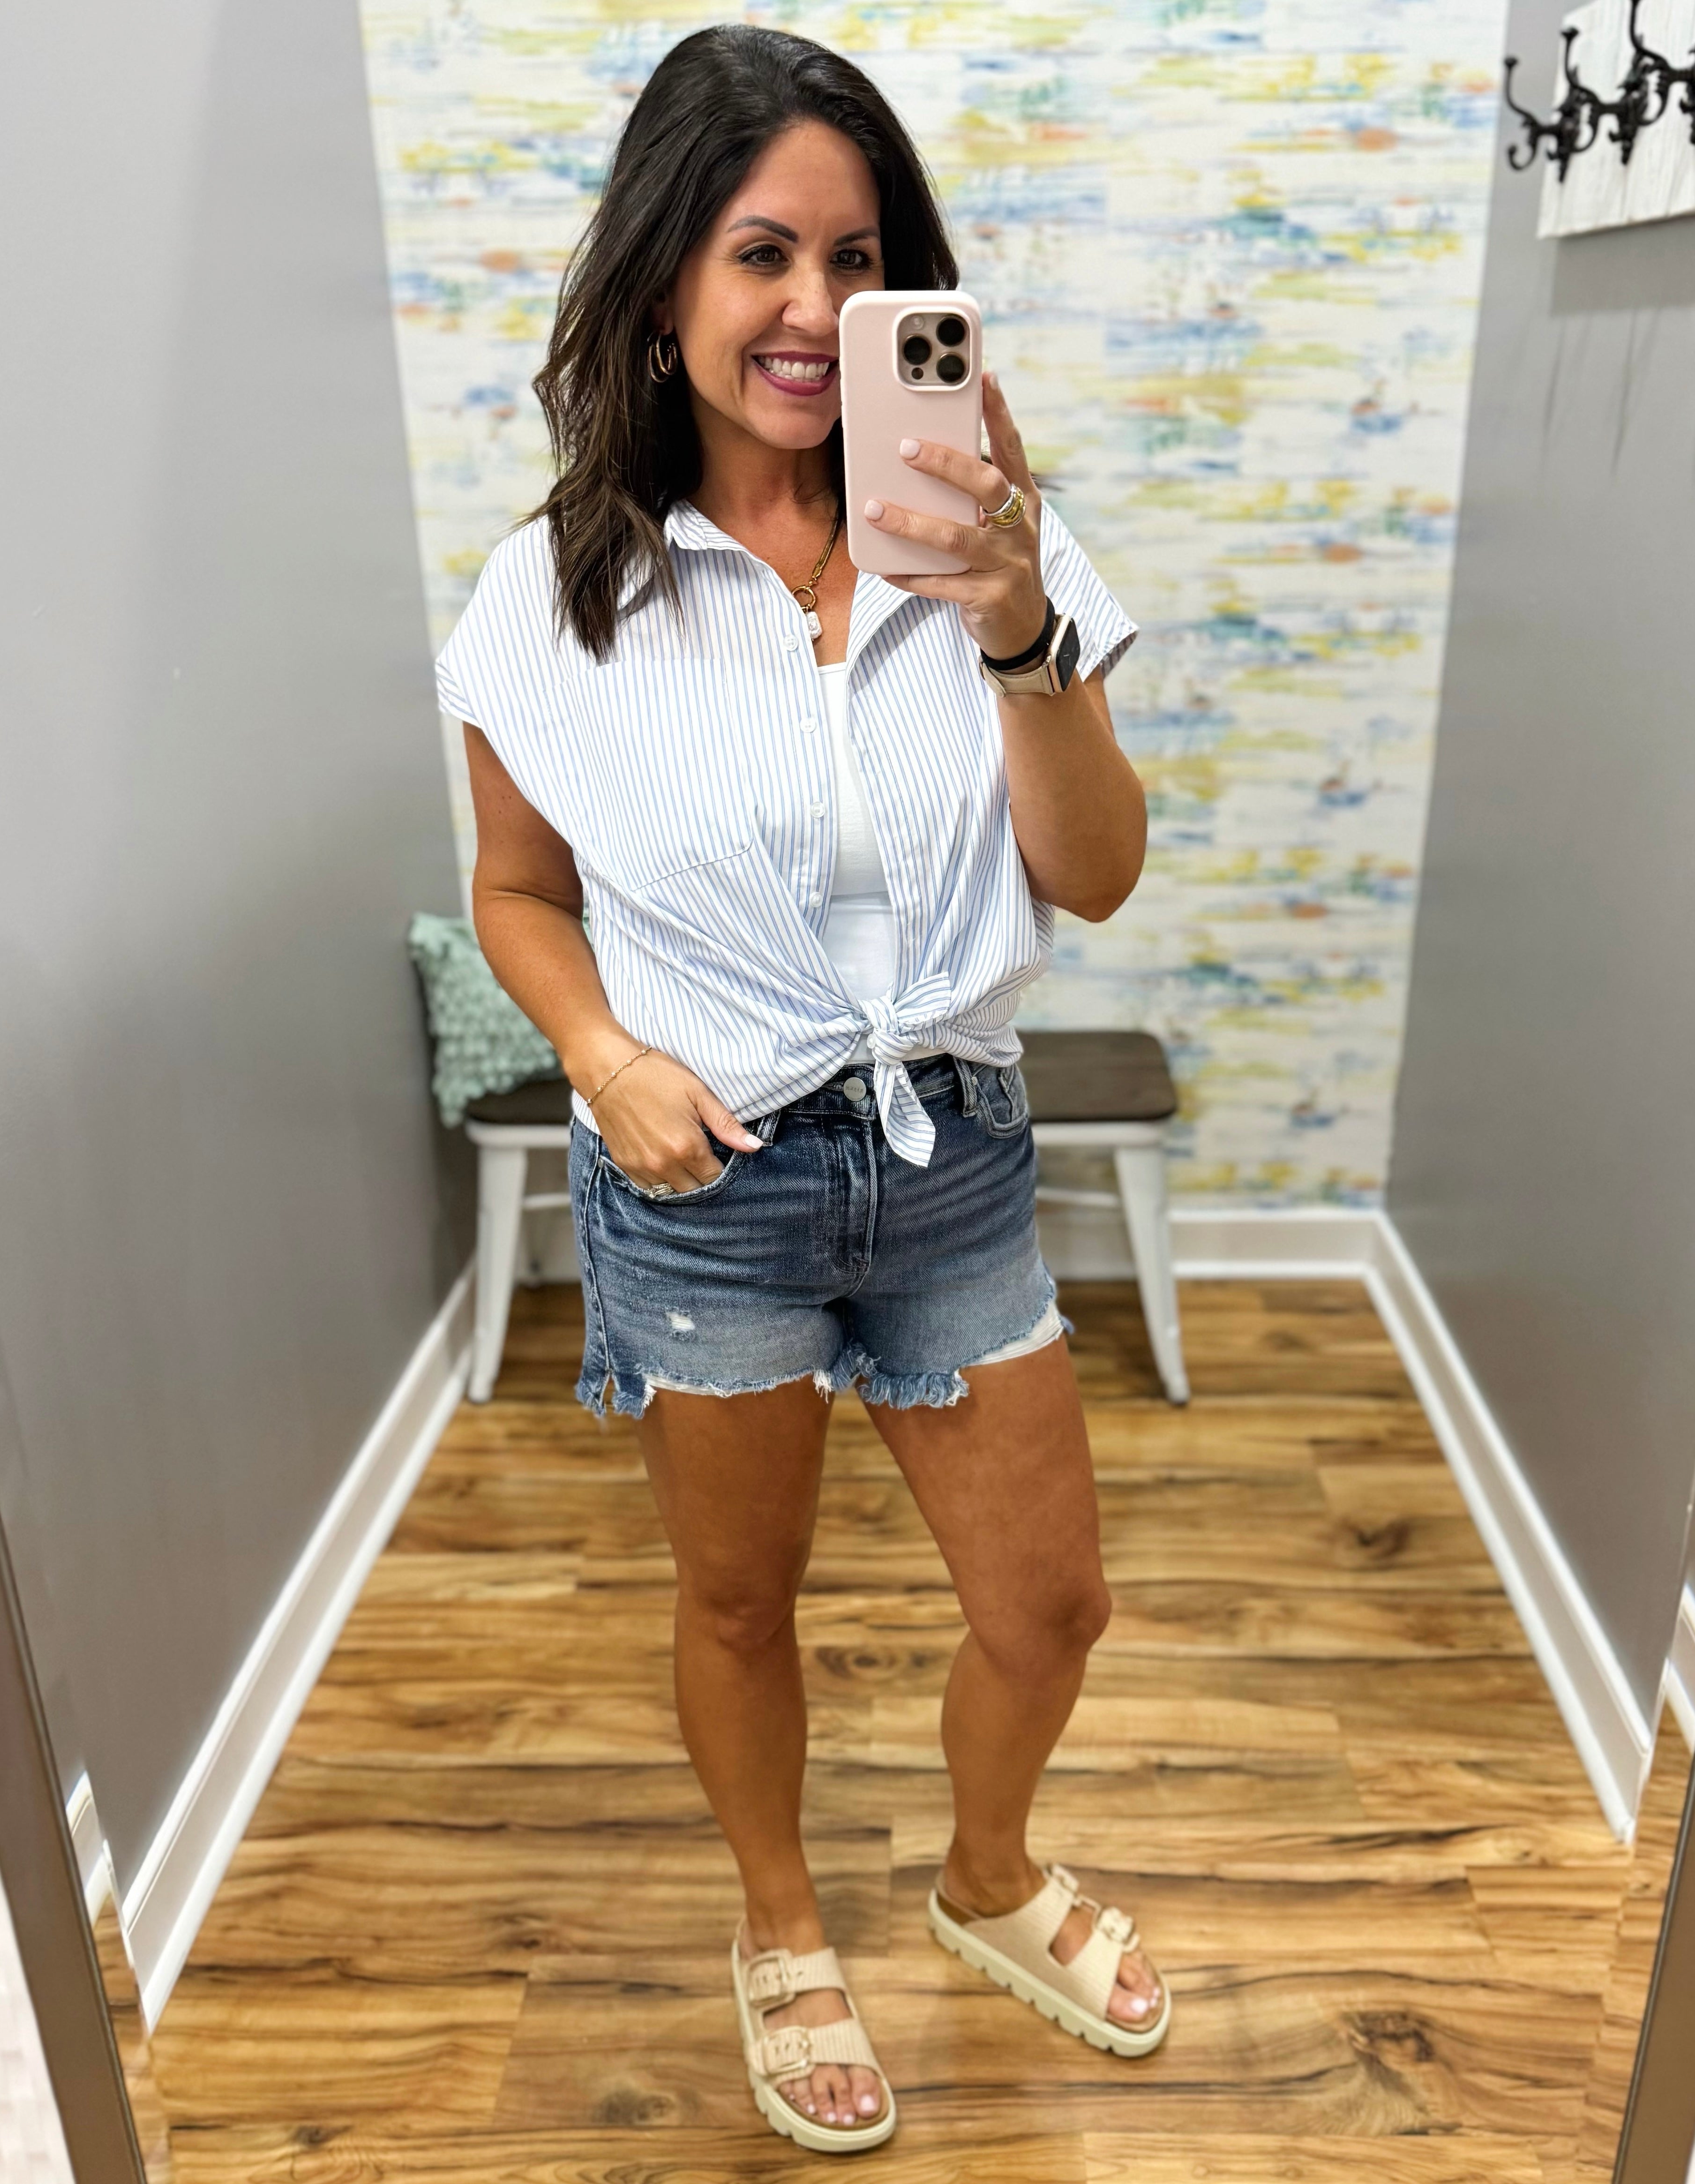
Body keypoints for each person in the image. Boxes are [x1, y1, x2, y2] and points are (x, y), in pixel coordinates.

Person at [437, 22, 1165, 2155]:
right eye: (763, 252)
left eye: (860, 261)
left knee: (1048, 1603)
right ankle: (780, 1920)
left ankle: (983, 1877)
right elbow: (513, 891)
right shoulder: (554, 595)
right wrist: (602, 1057)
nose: (813, 309)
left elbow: (1094, 874)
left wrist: (1018, 626)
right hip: (714, 1180)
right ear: (665, 272)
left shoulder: (993, 540)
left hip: (952, 1159)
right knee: (740, 1599)